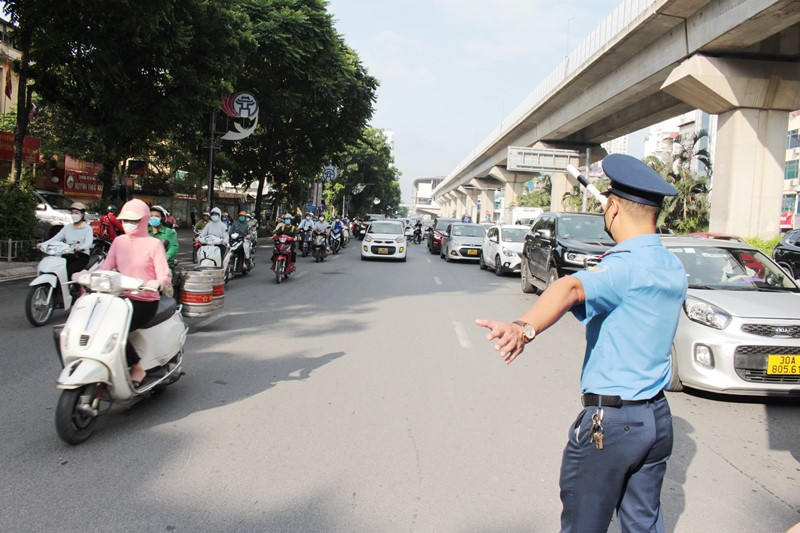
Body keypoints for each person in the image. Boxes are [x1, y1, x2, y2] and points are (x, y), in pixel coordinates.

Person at [475, 154, 687, 533]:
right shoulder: (671, 266)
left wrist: (523, 328)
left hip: (613, 423)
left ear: (615, 208)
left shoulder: (622, 267)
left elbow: (570, 286)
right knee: (643, 524)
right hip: (656, 419)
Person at [101, 199, 171, 388]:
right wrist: (87, 274)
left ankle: (137, 366)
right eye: (125, 220)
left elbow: (164, 274)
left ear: (145, 220)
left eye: (134, 220)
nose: (128, 224)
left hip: (145, 299)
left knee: (116, 330)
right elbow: (106, 267)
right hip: (119, 298)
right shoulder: (118, 241)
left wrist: (157, 283)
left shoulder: (154, 244)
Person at [37, 202, 94, 281]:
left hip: (81, 256)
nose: (74, 215)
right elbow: (57, 238)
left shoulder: (87, 228)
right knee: (57, 270)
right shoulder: (67, 227)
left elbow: (89, 242)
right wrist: (43, 244)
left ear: (82, 214)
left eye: (76, 213)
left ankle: (79, 289)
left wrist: (80, 248)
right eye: (72, 213)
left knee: (70, 271)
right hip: (68, 254)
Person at [148, 205, 179, 275]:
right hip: (147, 266)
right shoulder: (145, 232)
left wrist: (165, 257)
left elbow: (173, 247)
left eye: (156, 216)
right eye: (151, 216)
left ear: (162, 218)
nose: (153, 218)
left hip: (164, 266)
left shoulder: (169, 232)